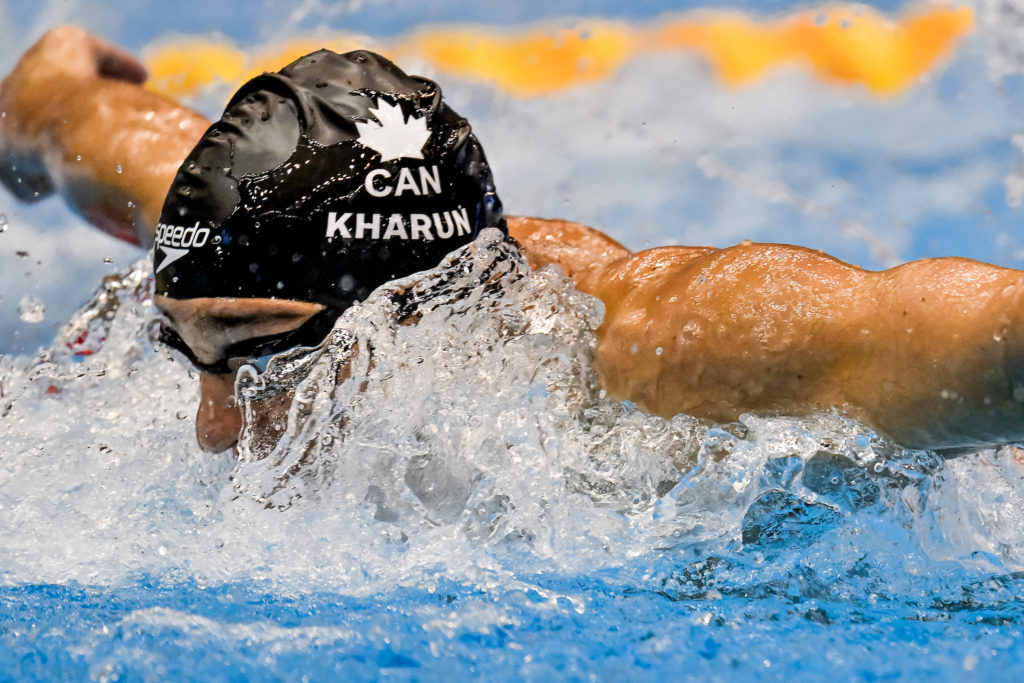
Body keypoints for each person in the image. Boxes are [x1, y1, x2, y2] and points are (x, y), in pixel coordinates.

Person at [4, 26, 1024, 454]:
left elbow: (969, 335)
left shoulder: (660, 364)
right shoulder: (226, 217)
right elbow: (66, 100)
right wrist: (38, 113)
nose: (214, 428)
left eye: (262, 365)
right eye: (198, 349)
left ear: (395, 319)